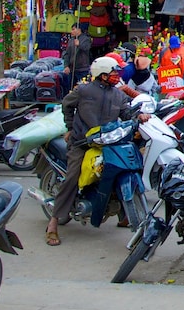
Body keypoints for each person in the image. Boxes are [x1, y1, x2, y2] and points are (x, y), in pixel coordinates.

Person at [46, 56, 145, 246]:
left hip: (108, 143)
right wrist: (69, 127)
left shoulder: (118, 95)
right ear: (102, 74)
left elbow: (126, 112)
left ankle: (125, 214)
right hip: (82, 143)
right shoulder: (83, 91)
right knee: (72, 177)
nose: (117, 76)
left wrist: (140, 115)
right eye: (114, 73)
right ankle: (54, 222)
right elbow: (67, 104)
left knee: (124, 169)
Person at [63, 24, 91, 92]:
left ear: (79, 30)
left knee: (83, 89)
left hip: (82, 70)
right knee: (71, 89)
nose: (71, 31)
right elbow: (67, 54)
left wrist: (79, 45)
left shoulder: (86, 39)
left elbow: (86, 48)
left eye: (73, 29)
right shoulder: (71, 40)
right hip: (72, 69)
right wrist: (66, 66)